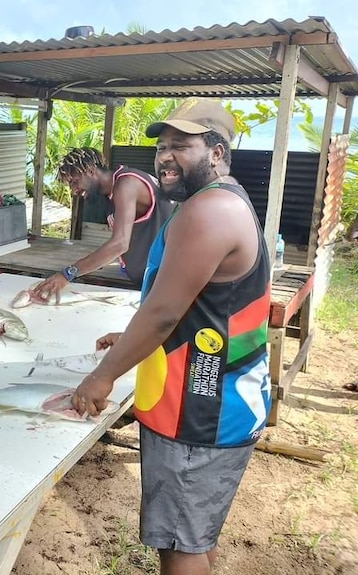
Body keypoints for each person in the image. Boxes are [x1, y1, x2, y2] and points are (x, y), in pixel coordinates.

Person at [71, 99, 272, 575]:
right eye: (162, 146)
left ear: (218, 152)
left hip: (199, 410)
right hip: (220, 400)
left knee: (179, 546)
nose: (164, 156)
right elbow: (194, 303)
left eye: (181, 146)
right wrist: (130, 336)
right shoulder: (224, 201)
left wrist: (100, 378)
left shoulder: (209, 211)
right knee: (196, 534)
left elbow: (162, 313)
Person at [32, 147, 173, 298]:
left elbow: (120, 244)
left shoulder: (127, 184)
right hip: (150, 279)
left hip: (164, 283)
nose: (74, 191)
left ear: (91, 171)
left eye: (75, 182)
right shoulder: (112, 191)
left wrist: (67, 274)